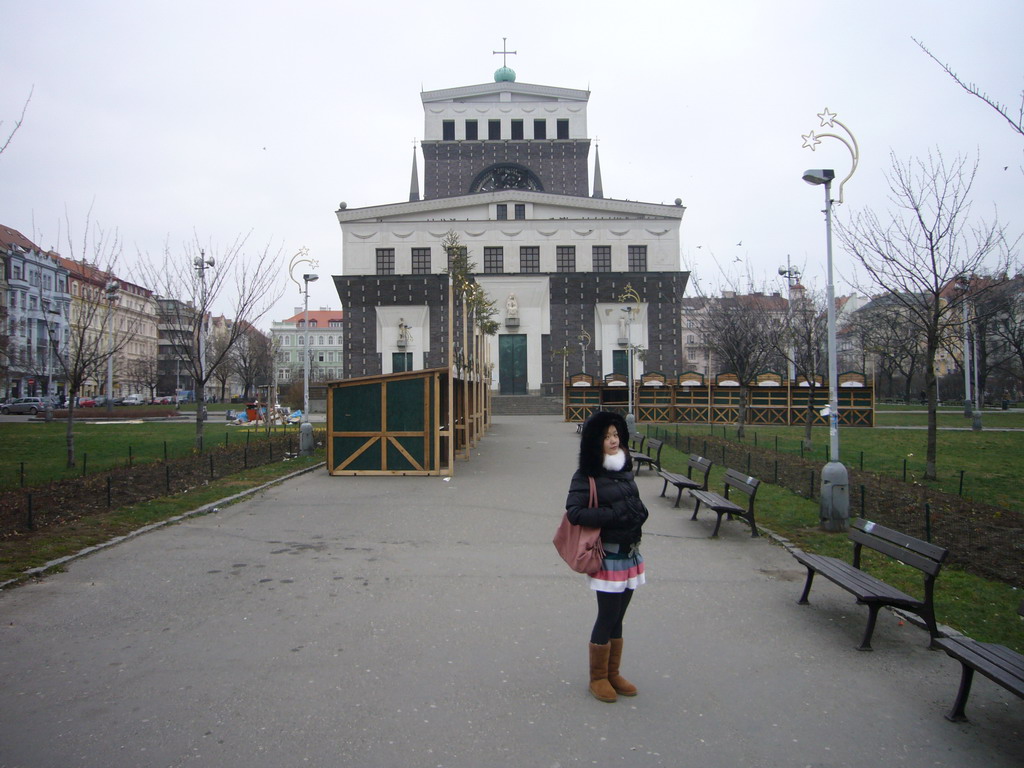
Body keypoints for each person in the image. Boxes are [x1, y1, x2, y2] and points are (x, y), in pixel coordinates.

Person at [565, 410, 648, 702]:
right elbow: (574, 512)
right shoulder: (587, 474)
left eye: (616, 435)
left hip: (630, 551)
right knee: (608, 615)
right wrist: (612, 515)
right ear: (595, 441)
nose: (613, 440)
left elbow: (632, 502)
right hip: (609, 555)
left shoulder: (623, 467)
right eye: (607, 436)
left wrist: (640, 512)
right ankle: (598, 677)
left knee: (619, 617)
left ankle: (613, 673)